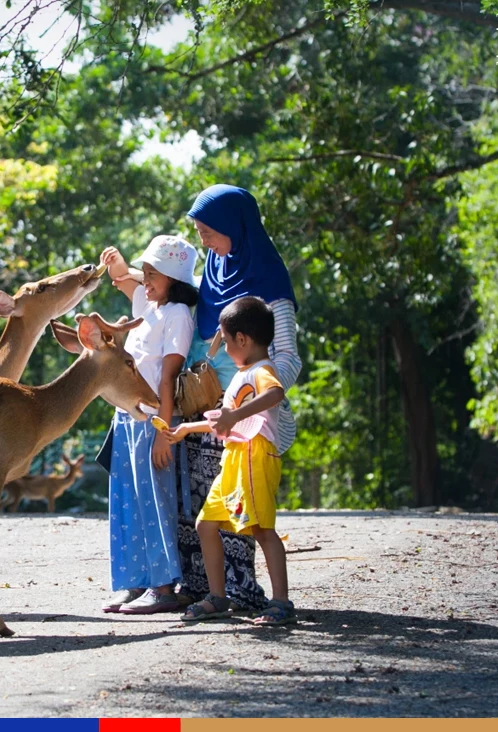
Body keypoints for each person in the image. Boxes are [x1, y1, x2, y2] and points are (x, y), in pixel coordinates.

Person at [174, 184, 302, 614]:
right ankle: (212, 592)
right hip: (208, 409)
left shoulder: (268, 283)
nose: (203, 241)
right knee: (205, 515)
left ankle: (250, 592)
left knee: (251, 521)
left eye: (209, 232)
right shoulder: (214, 270)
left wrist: (247, 386)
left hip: (248, 429)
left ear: (235, 227)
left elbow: (287, 360)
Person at [165, 297, 295, 626]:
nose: (223, 349)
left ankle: (281, 602)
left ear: (242, 340)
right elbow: (223, 421)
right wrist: (186, 429)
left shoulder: (262, 371)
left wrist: (235, 413)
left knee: (263, 529)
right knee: (206, 525)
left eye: (224, 340)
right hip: (233, 461)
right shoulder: (241, 374)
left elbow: (275, 394)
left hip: (254, 458)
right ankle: (217, 597)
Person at [97, 235, 198, 614]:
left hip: (155, 419)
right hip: (125, 417)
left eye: (155, 273)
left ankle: (164, 587)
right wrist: (120, 265)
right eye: (148, 271)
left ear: (175, 279)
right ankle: (133, 581)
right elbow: (126, 279)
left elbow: (168, 378)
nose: (147, 279)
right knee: (126, 501)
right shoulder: (147, 303)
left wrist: (163, 431)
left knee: (156, 503)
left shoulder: (177, 316)